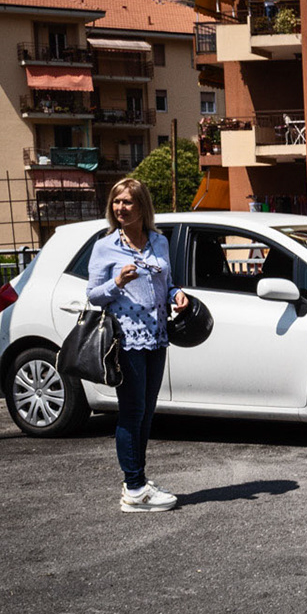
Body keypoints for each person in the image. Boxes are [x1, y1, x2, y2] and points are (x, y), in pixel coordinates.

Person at [86, 178, 190, 512]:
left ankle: (139, 479)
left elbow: (167, 282)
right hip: (126, 341)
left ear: (142, 206)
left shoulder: (158, 241)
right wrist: (117, 283)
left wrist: (176, 294)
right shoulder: (105, 247)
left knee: (145, 413)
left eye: (128, 202)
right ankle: (134, 489)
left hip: (157, 338)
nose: (120, 208)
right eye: (116, 202)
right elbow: (92, 294)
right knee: (131, 413)